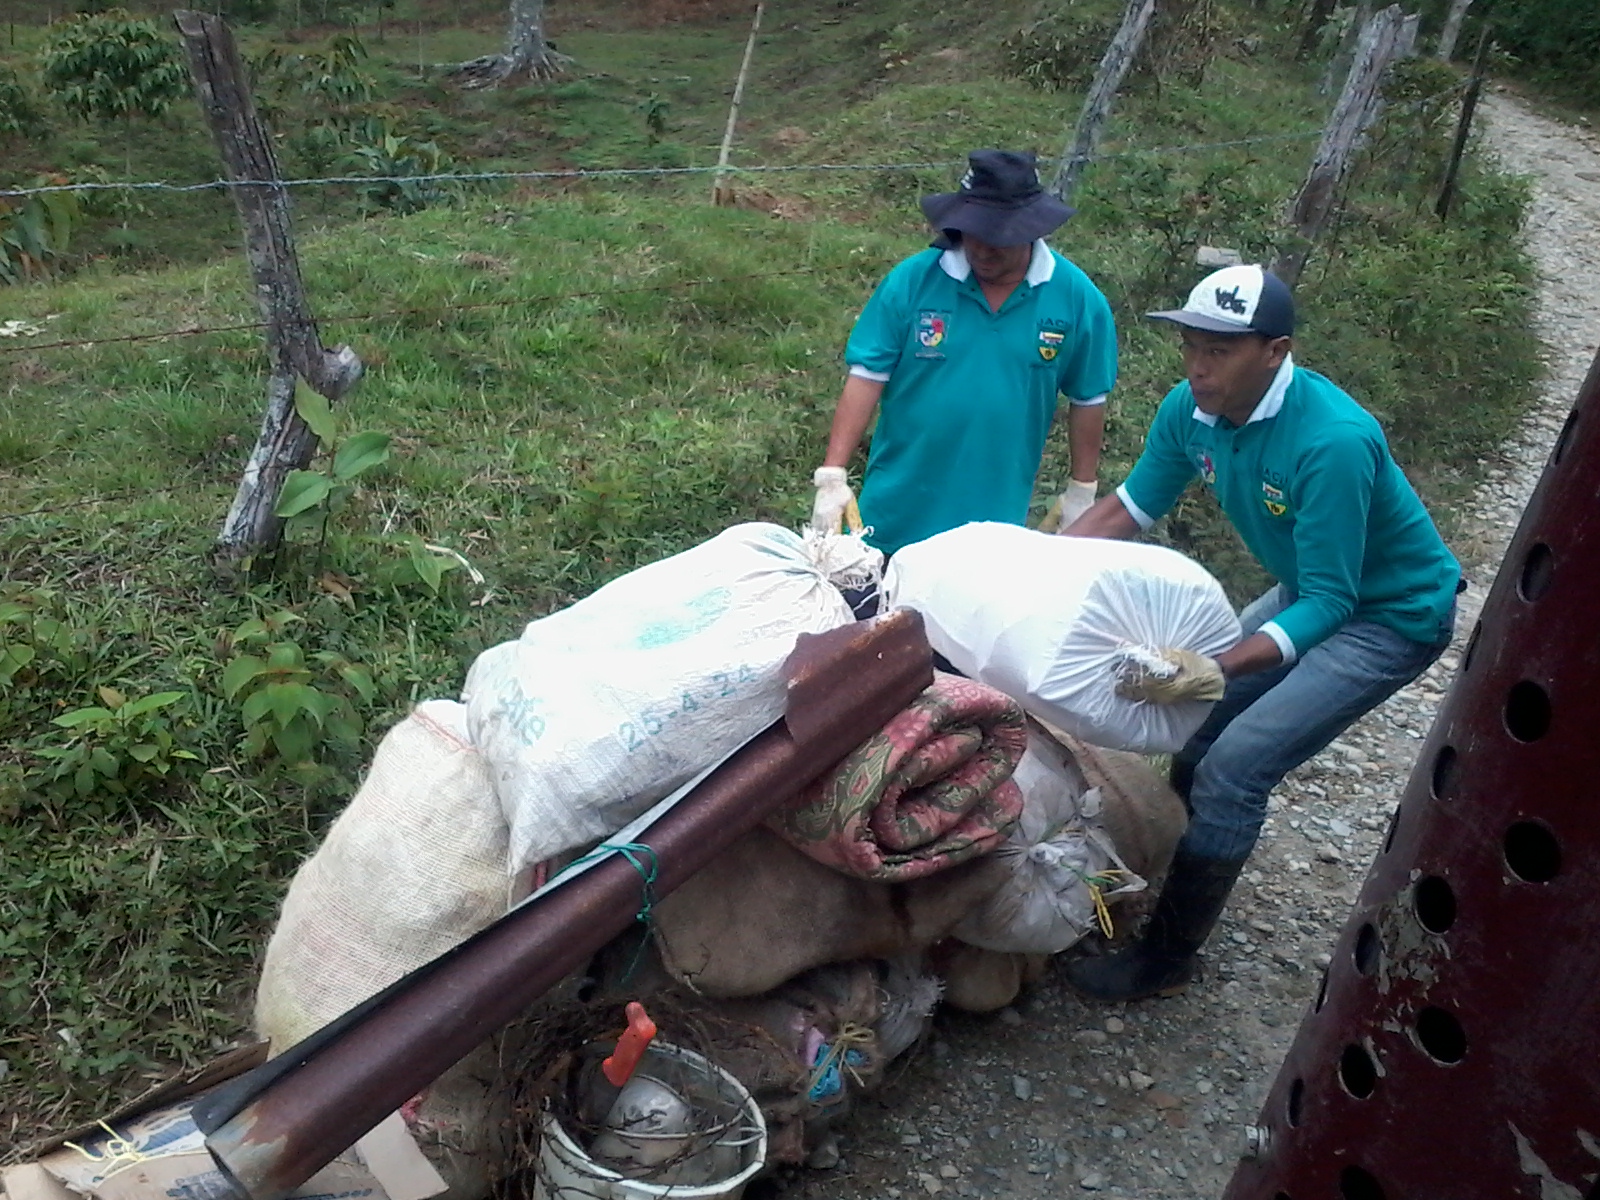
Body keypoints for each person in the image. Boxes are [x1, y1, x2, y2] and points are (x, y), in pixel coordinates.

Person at [1060, 263, 1461, 1002]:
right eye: (1190, 345)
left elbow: (1334, 601)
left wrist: (1217, 664)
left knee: (1236, 767)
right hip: (1309, 587)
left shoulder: (1332, 441)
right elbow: (1131, 506)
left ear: (1275, 352)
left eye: (1219, 350)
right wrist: (1035, 564)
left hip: (1389, 615)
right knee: (1197, 728)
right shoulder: (1190, 410)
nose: (1197, 366)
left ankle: (1168, 957)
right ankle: (1176, 876)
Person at [810, 150, 1118, 581]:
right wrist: (833, 475)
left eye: (998, 236)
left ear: (1031, 230)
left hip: (994, 526)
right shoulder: (914, 281)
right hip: (897, 514)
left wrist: (1081, 490)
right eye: (974, 231)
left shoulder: (1076, 299)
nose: (982, 248)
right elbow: (866, 377)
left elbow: (1088, 398)